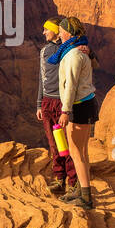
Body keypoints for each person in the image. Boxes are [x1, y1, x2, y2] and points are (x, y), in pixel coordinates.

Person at [53, 15, 99, 210]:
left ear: (69, 33)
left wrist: (65, 111)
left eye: (61, 30)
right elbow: (93, 66)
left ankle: (86, 197)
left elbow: (70, 85)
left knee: (75, 152)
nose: (59, 33)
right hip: (86, 104)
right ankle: (81, 190)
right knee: (82, 151)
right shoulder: (78, 50)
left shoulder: (72, 55)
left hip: (79, 105)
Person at [36, 18, 77, 196]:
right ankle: (59, 180)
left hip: (62, 102)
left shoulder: (67, 49)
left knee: (66, 144)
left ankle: (74, 183)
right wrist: (39, 103)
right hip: (46, 103)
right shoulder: (44, 51)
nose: (44, 32)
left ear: (55, 31)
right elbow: (41, 77)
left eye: (47, 29)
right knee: (54, 144)